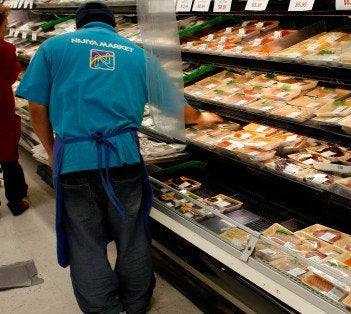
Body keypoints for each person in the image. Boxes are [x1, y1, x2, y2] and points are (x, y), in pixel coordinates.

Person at [16, 1, 222, 313]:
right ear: (113, 25)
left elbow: (36, 108)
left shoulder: (54, 47)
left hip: (74, 158)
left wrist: (53, 151)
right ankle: (136, 303)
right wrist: (207, 119)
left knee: (85, 242)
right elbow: (180, 112)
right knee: (132, 235)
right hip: (123, 158)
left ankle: (102, 308)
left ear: (79, 25)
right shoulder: (138, 54)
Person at [0, 4, 29, 216]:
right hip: (1, 106)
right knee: (8, 154)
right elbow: (12, 75)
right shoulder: (6, 49)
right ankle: (16, 201)